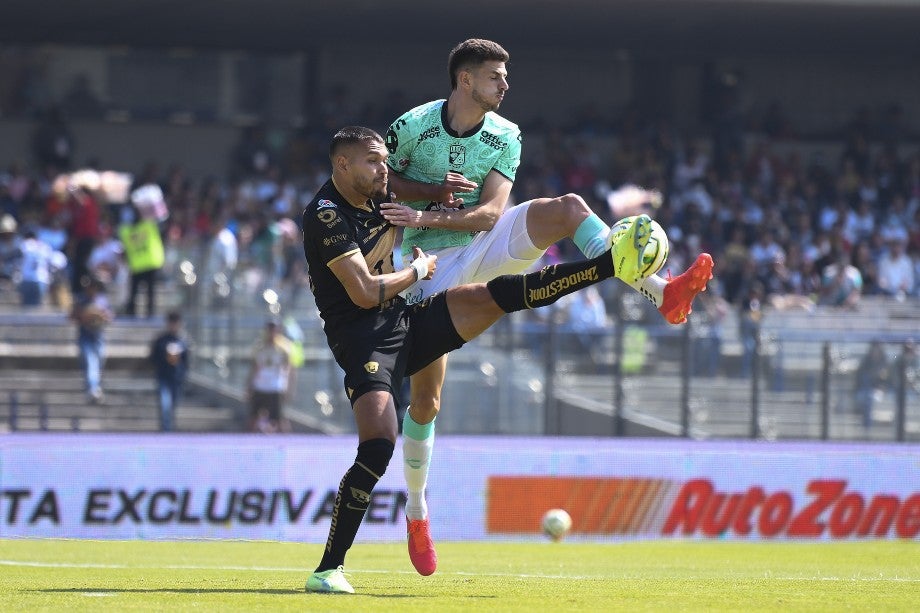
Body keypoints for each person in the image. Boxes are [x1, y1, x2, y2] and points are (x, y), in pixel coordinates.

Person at [301, 126, 685, 593]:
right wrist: (417, 270)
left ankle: (609, 265)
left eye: (384, 161)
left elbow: (411, 191)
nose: (384, 170)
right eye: (373, 162)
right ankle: (329, 568)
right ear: (342, 165)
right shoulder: (325, 214)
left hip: (404, 319)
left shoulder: (381, 193)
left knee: (495, 296)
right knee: (380, 443)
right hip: (364, 341)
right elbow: (362, 293)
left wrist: (437, 195)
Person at [380, 38, 713, 575]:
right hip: (423, 266)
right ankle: (417, 512)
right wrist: (430, 194)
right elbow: (380, 182)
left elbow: (491, 213)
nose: (505, 85)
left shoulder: (506, 134)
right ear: (465, 80)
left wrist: (430, 214)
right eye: (495, 76)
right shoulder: (411, 126)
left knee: (567, 209)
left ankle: (662, 291)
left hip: (474, 240)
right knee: (426, 403)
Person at [69, 276, 113, 404]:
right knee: (90, 361)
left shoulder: (102, 300)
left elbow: (110, 317)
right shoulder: (81, 300)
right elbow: (72, 316)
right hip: (85, 336)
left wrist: (101, 315)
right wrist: (83, 315)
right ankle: (93, 389)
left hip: (98, 335)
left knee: (99, 361)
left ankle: (95, 386)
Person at [246, 320, 295, 433]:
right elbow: (255, 368)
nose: (272, 333)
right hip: (260, 386)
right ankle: (248, 445)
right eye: (270, 330)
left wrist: (288, 387)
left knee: (278, 420)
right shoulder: (259, 347)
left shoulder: (284, 349)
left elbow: (288, 369)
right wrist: (249, 386)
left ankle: (287, 445)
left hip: (275, 387)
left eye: (274, 330)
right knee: (253, 418)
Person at [149, 310, 190, 432]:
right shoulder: (161, 340)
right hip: (163, 377)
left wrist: (183, 373)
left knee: (172, 405)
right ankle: (166, 430)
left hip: (176, 378)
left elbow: (186, 361)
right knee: (164, 404)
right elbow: (153, 358)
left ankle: (169, 428)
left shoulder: (183, 341)